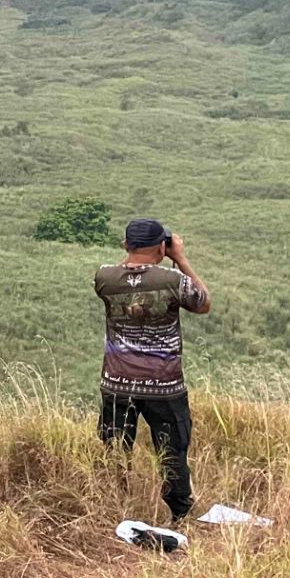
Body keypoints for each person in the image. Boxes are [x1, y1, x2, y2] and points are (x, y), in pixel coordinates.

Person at [94, 218, 212, 523]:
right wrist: (180, 258)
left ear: (125, 245)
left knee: (115, 450)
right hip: (164, 385)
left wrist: (135, 255)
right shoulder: (172, 280)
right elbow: (203, 303)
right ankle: (181, 513)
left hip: (117, 382)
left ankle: (112, 509)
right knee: (173, 450)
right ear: (162, 246)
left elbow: (125, 272)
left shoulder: (104, 277)